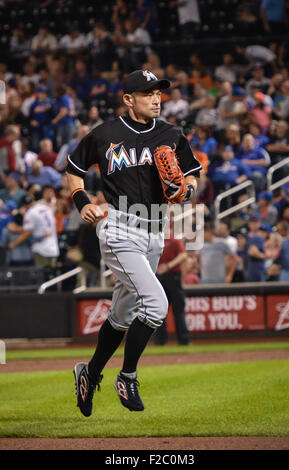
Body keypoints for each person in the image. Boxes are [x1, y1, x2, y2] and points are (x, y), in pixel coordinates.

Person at [66, 69, 200, 416]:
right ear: (129, 99)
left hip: (156, 231)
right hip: (120, 230)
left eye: (159, 92)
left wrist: (188, 188)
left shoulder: (171, 134)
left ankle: (90, 372)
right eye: (148, 93)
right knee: (156, 305)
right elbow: (73, 169)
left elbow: (192, 173)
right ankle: (127, 376)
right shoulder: (104, 134)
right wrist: (83, 203)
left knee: (123, 314)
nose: (156, 98)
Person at [154, 216, 189, 346]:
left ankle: (160, 341)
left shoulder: (156, 240)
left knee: (160, 311)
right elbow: (183, 255)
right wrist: (168, 266)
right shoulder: (173, 240)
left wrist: (164, 266)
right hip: (172, 276)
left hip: (162, 277)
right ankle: (183, 340)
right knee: (177, 310)